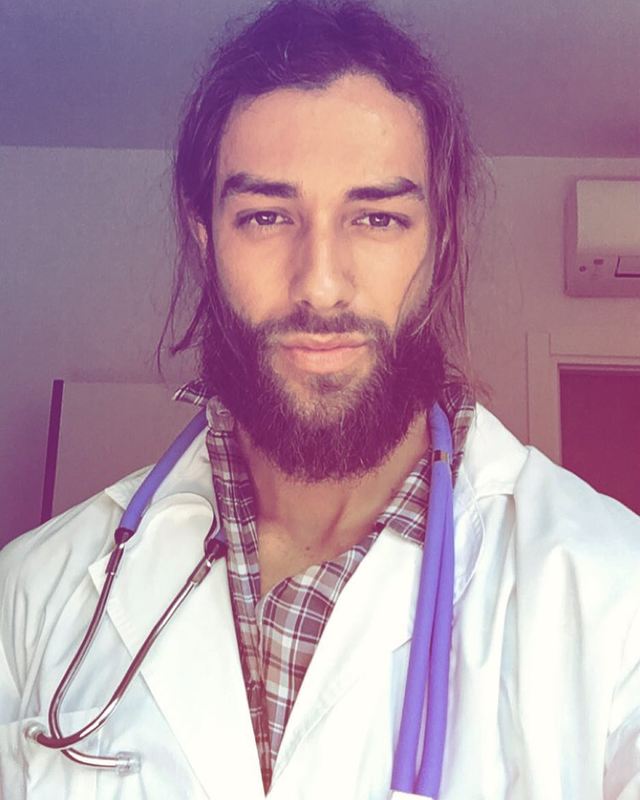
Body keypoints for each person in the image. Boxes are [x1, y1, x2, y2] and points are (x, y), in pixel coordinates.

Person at [1, 1, 639, 798]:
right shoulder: (31, 596)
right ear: (206, 238)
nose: (322, 284)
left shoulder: (614, 600)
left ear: (439, 243)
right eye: (267, 216)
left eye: (377, 218)